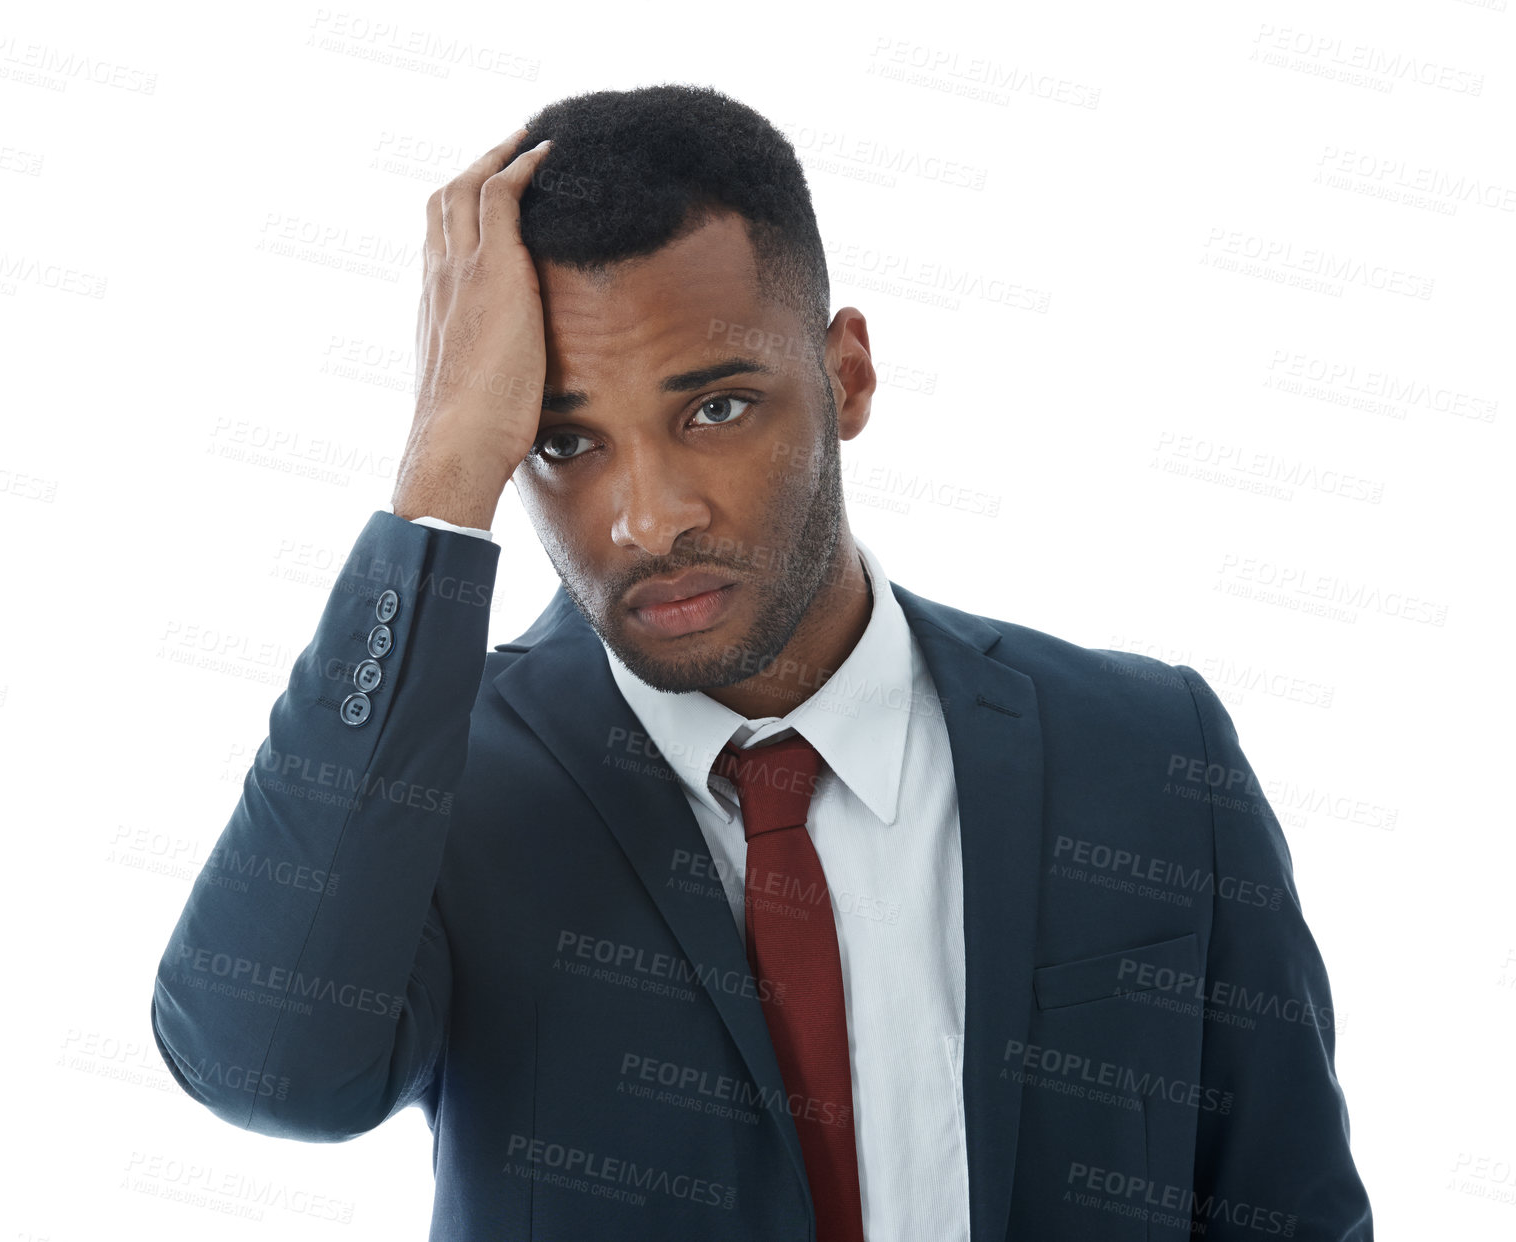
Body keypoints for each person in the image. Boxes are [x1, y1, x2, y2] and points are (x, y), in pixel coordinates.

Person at [150, 84, 1372, 1240]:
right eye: (565, 440)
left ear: (845, 376)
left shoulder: (1149, 752)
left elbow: (1288, 1207)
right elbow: (272, 1065)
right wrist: (439, 482)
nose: (648, 518)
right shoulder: (441, 787)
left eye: (716, 408)